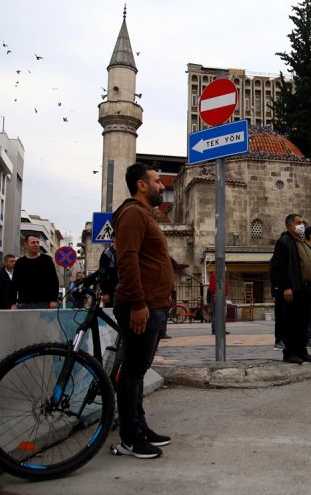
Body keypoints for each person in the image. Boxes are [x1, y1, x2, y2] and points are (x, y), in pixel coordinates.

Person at [111, 163, 175, 458]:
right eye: (157, 181)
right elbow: (127, 260)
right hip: (142, 306)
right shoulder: (134, 214)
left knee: (137, 370)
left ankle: (140, 426)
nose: (162, 186)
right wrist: (138, 303)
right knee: (132, 373)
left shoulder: (143, 215)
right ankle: (130, 438)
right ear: (141, 185)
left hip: (153, 305)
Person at [271, 213, 311, 364]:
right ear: (290, 225)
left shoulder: (301, 241)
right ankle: (289, 353)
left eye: (302, 222)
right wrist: (286, 287)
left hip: (305, 288)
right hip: (293, 289)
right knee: (291, 322)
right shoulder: (284, 242)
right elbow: (280, 267)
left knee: (302, 322)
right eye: (299, 222)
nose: (302, 225)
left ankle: (302, 351)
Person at [13, 234, 60, 309]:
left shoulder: (46, 260)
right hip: (24, 303)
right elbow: (15, 283)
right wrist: (13, 303)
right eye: (33, 242)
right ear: (26, 245)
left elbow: (54, 281)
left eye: (37, 242)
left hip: (44, 302)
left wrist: (53, 300)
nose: (36, 245)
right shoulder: (20, 262)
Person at [207, 270, 229, 336]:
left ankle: (220, 329)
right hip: (217, 296)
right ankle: (215, 329)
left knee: (222, 313)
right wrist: (215, 294)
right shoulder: (214, 275)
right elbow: (212, 287)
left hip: (221, 296)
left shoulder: (220, 275)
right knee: (216, 313)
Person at [98, 241, 118, 307]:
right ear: (113, 238)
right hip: (110, 291)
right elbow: (103, 273)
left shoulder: (127, 251)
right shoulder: (107, 253)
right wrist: (105, 292)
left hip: (125, 291)